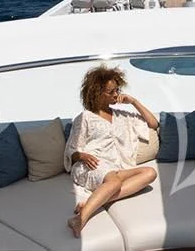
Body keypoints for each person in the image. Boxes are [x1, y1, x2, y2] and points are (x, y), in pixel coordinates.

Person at [64, 66, 159, 236]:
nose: (116, 95)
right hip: (92, 164)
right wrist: (83, 155)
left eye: (117, 90)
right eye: (111, 92)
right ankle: (79, 219)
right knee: (114, 182)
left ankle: (93, 202)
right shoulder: (85, 117)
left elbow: (153, 124)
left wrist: (134, 102)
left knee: (150, 173)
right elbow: (72, 149)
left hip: (116, 168)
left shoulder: (122, 115)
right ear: (97, 93)